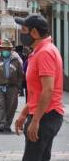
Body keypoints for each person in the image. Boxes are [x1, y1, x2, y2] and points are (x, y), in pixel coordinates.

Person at [14, 14, 64, 161]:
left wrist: (35, 121)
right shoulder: (40, 51)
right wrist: (24, 113)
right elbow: (36, 91)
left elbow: (47, 90)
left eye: (23, 30)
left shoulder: (45, 53)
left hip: (45, 115)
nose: (21, 34)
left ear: (34, 32)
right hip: (43, 113)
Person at [0, 39, 23, 132]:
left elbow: (20, 75)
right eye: (4, 48)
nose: (6, 50)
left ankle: (7, 125)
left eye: (8, 49)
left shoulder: (16, 60)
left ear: (10, 50)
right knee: (1, 105)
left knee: (11, 106)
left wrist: (19, 86)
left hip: (12, 87)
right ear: (0, 49)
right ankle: (1, 124)